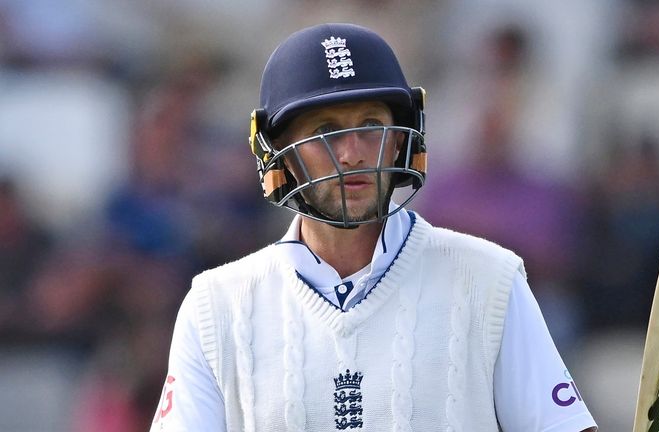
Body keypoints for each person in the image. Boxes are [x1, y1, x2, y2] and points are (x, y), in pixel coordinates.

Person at [150, 23, 598, 431]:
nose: (353, 153)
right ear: (281, 152)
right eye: (325, 130)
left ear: (402, 136)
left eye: (370, 125)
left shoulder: (489, 280)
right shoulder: (215, 306)